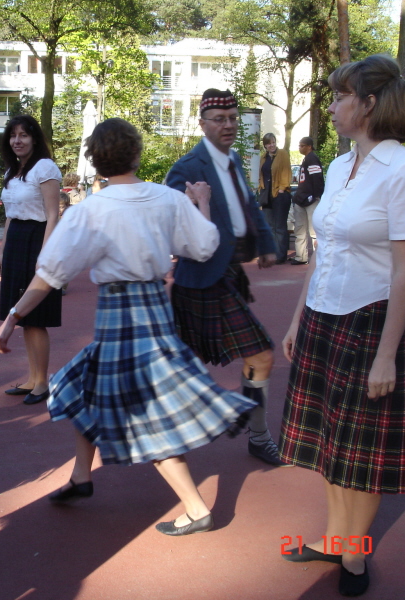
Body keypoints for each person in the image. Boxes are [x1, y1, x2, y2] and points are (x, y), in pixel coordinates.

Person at [0, 118, 256, 535]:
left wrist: (12, 318)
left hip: (118, 313)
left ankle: (195, 508)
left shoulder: (91, 210)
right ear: (136, 154)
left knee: (144, 411)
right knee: (84, 387)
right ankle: (81, 476)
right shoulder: (167, 199)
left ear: (96, 162)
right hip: (154, 309)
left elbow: (50, 274)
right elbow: (205, 245)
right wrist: (201, 202)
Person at [278, 55, 405, 597]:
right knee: (330, 441)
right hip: (323, 316)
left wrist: (387, 355)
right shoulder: (341, 165)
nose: (332, 106)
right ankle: (334, 538)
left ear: (368, 104)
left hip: (371, 321)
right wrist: (297, 318)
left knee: (360, 453)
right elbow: (324, 252)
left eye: (340, 96)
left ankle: (354, 552)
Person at [165, 88, 285, 467]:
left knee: (251, 357)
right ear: (202, 124)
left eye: (233, 118)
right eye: (219, 119)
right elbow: (174, 227)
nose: (229, 125)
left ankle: (257, 436)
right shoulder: (186, 168)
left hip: (228, 277)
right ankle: (161, 434)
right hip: (199, 281)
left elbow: (247, 206)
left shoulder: (232, 160)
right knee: (187, 368)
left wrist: (266, 244)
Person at [0, 114, 62, 406]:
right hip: (16, 240)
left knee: (36, 316)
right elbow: (10, 216)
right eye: (13, 135)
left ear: (35, 138)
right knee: (22, 316)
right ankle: (33, 378)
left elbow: (53, 215)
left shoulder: (44, 168)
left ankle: (42, 382)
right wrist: (2, 251)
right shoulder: (13, 171)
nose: (17, 140)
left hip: (38, 239)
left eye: (23, 135)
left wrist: (45, 253)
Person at [258, 132, 292, 264]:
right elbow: (262, 175)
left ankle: (280, 255)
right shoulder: (263, 157)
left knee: (280, 227)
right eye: (269, 143)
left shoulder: (282, 154)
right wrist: (261, 188)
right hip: (266, 195)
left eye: (273, 142)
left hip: (279, 194)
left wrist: (282, 189)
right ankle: (272, 253)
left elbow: (286, 171)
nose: (271, 145)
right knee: (270, 226)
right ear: (265, 145)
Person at [290, 136, 324, 265]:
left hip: (310, 200)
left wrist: (315, 195)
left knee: (314, 231)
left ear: (309, 146)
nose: (300, 148)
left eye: (302, 145)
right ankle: (301, 256)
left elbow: (318, 179)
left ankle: (317, 257)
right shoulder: (305, 159)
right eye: (299, 145)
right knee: (300, 230)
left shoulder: (312, 159)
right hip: (301, 199)